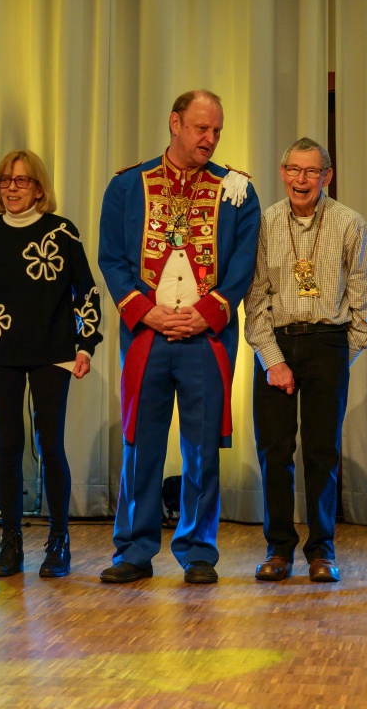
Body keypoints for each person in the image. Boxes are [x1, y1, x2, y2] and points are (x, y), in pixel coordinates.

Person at [97, 90, 260, 584]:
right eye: (201, 128)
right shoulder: (128, 185)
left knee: (202, 450)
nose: (210, 138)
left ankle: (198, 550)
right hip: (146, 336)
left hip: (205, 339)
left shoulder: (236, 190)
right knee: (140, 446)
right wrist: (146, 313)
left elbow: (242, 265)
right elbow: (112, 259)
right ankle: (134, 549)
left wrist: (207, 314)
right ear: (175, 123)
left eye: (216, 131)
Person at [0, 149, 102, 579]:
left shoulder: (62, 232)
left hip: (53, 352)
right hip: (0, 351)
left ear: (39, 188)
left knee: (50, 445)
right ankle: (11, 542)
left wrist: (86, 346)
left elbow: (86, 292)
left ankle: (59, 541)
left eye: (21, 180)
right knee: (8, 447)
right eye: (5, 180)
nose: (12, 188)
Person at [243, 137, 367, 583]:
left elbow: (366, 304)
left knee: (322, 452)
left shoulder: (349, 223)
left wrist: (339, 356)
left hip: (328, 343)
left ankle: (322, 550)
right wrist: (272, 360)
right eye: (293, 170)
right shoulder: (265, 224)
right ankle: (278, 549)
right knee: (274, 451)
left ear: (327, 176)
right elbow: (254, 300)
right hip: (276, 343)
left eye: (311, 172)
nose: (301, 180)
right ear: (283, 173)